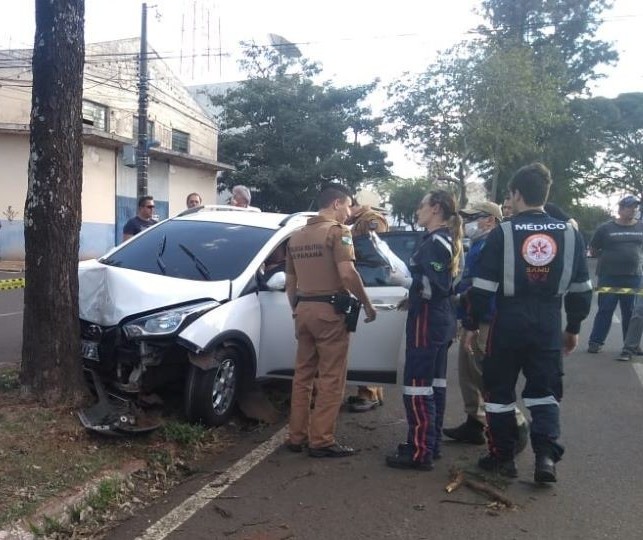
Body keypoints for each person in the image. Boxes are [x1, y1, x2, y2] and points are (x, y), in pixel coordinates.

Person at [463, 163, 592, 483]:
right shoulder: (571, 234)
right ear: (544, 194)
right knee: (545, 393)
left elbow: (482, 288)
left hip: (507, 323)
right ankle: (545, 459)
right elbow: (581, 289)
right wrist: (573, 327)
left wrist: (472, 323)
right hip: (548, 322)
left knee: (499, 393)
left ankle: (503, 458)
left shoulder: (502, 233)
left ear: (516, 194)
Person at [284, 183, 377, 458]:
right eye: (348, 206)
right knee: (331, 378)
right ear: (336, 203)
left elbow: (290, 282)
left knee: (302, 376)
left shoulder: (296, 236)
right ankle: (321, 440)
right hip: (330, 312)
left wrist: (296, 311)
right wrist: (368, 305)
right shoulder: (338, 233)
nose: (349, 212)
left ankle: (296, 436)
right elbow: (348, 274)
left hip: (303, 310)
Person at [385, 190, 463, 471]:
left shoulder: (435, 243)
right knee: (434, 385)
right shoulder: (446, 240)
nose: (418, 211)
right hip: (440, 319)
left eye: (421, 205)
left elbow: (434, 287)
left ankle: (420, 452)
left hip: (428, 321)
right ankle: (429, 443)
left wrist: (406, 282)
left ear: (436, 208)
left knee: (417, 386)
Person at [443, 201, 529, 450]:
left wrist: (468, 309)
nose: (469, 223)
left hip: (485, 320)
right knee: (467, 375)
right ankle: (475, 422)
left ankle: (516, 423)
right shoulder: (479, 243)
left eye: (475, 218)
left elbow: (486, 287)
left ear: (490, 220)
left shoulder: (493, 244)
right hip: (471, 316)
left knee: (485, 376)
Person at [346, 190, 389, 413]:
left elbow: (377, 252)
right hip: (361, 282)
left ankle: (369, 392)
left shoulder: (372, 221)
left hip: (371, 283)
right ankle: (370, 391)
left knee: (368, 338)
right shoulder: (355, 221)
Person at [587, 195, 643, 353]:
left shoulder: (641, 227)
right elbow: (593, 249)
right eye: (630, 207)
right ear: (620, 209)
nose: (633, 210)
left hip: (633, 276)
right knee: (605, 309)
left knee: (631, 312)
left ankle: (631, 344)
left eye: (635, 207)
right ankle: (595, 342)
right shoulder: (606, 228)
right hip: (609, 276)